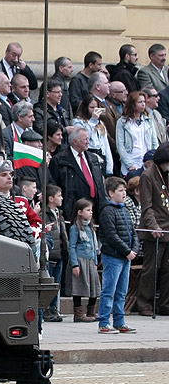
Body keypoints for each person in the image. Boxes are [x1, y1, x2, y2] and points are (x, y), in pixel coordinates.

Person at [97, 176, 139, 333]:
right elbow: (111, 235)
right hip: (113, 257)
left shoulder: (125, 210)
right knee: (109, 290)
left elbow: (133, 232)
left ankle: (119, 321)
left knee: (122, 291)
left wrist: (133, 249)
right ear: (111, 193)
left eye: (125, 191)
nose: (124, 194)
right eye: (120, 191)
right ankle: (103, 321)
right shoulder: (107, 211)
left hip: (125, 257)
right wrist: (126, 251)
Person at [136, 142, 169, 316]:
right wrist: (153, 226)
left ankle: (165, 303)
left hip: (168, 230)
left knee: (167, 270)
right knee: (151, 269)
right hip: (154, 231)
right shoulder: (148, 176)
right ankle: (144, 304)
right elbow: (146, 207)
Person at [49, 126, 107, 221]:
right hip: (74, 210)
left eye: (88, 139)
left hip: (95, 209)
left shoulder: (93, 159)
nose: (88, 142)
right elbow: (54, 185)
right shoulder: (59, 161)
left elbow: (99, 184)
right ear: (75, 141)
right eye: (85, 139)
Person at [67, 197, 99, 324]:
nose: (91, 212)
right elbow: (72, 246)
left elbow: (94, 246)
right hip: (80, 260)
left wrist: (95, 261)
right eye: (88, 210)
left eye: (91, 210)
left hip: (90, 260)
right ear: (80, 212)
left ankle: (91, 311)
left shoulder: (90, 228)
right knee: (78, 287)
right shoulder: (75, 228)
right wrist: (75, 264)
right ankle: (78, 314)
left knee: (94, 287)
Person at [115, 90, 158, 179]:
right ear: (132, 103)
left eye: (144, 102)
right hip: (131, 162)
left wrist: (154, 159)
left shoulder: (148, 121)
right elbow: (120, 145)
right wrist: (129, 164)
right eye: (140, 102)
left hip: (147, 162)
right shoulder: (122, 122)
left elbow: (154, 142)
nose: (143, 104)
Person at [44, 185, 72, 319]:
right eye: (59, 196)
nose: (61, 198)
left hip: (60, 252)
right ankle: (46, 308)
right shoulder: (44, 213)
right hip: (51, 254)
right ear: (50, 198)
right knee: (48, 282)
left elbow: (63, 233)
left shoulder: (59, 213)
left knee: (57, 283)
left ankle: (54, 308)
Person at [73, 96, 114, 175]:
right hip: (89, 153)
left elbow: (106, 145)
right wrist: (92, 121)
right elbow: (84, 136)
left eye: (96, 107)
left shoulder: (100, 123)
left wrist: (110, 166)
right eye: (92, 107)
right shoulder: (78, 122)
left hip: (101, 154)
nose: (95, 110)